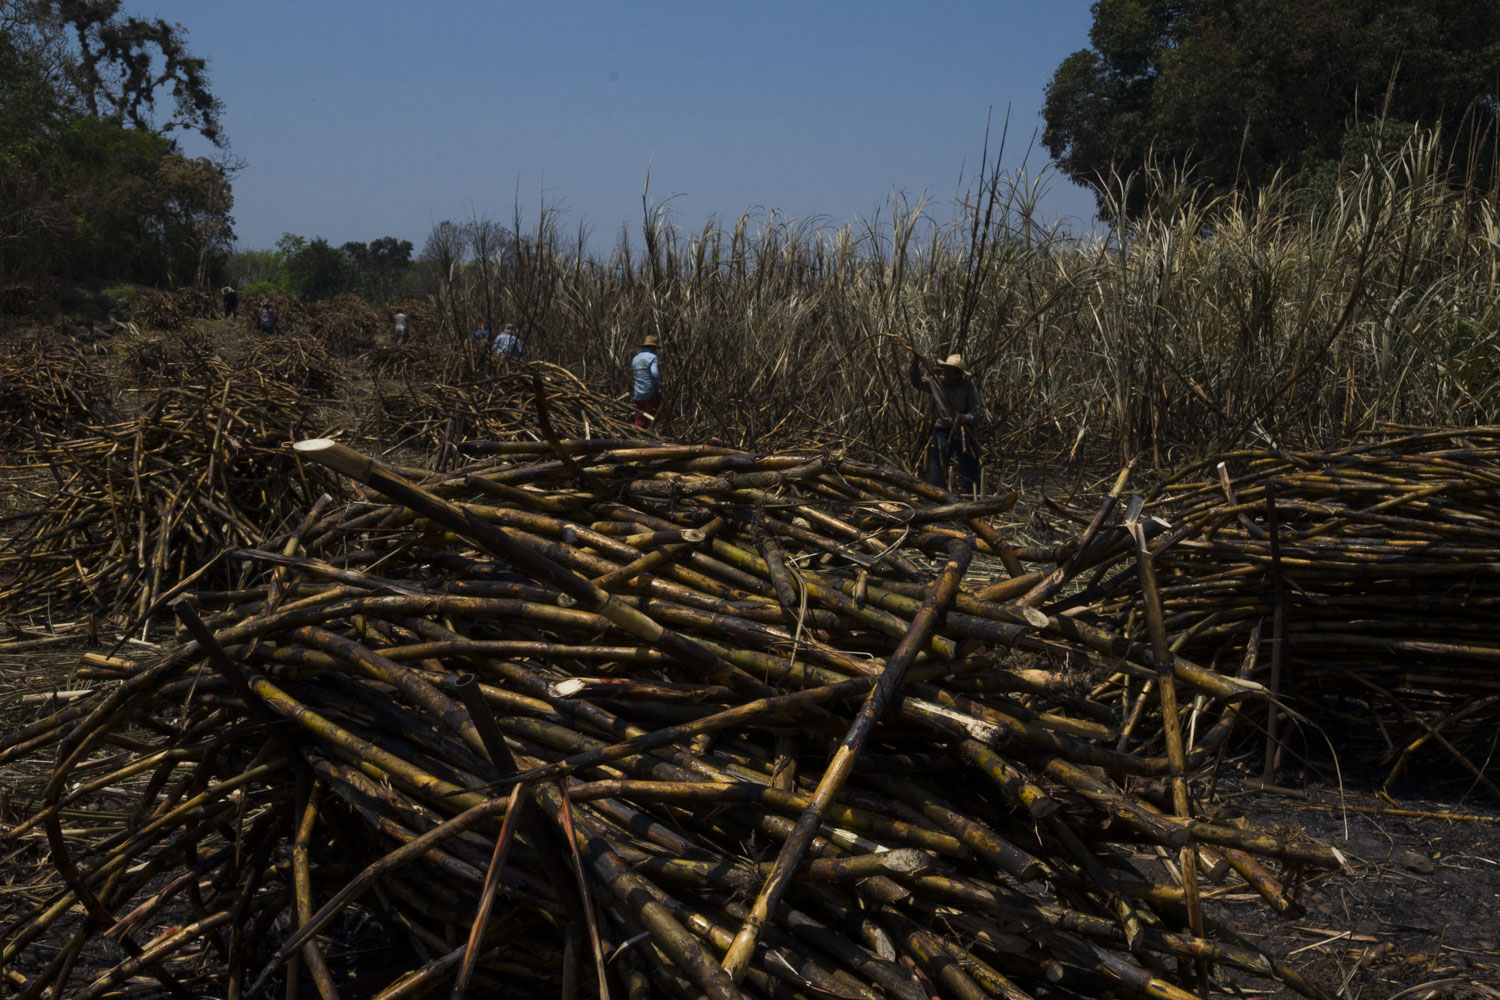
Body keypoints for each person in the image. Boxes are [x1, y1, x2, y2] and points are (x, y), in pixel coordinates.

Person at [909, 352, 984, 493]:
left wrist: (966, 417)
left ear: (958, 374)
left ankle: (971, 494)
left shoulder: (968, 387)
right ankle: (938, 494)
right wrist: (914, 365)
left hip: (964, 430)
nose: (946, 373)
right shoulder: (936, 382)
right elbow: (916, 382)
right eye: (945, 370)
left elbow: (976, 410)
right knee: (937, 461)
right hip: (943, 429)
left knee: (970, 463)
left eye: (949, 371)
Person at [630, 334, 663, 429]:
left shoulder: (635, 358)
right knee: (655, 412)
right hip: (649, 391)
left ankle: (638, 434)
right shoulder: (652, 357)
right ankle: (655, 432)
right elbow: (655, 373)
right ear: (653, 347)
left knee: (639, 415)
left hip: (638, 392)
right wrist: (660, 385)